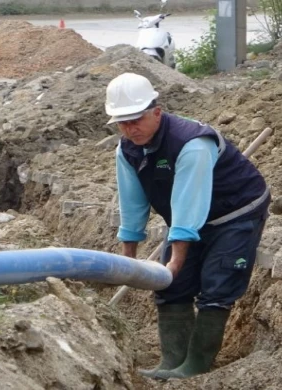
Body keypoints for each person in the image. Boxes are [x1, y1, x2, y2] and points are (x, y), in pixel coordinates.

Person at [106, 73, 270, 381]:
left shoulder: (191, 143)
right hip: (189, 215)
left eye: (136, 120)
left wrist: (177, 258)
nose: (130, 129)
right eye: (122, 123)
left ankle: (195, 366)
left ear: (157, 112)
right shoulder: (127, 149)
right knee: (171, 287)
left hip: (235, 212)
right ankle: (172, 361)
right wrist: (128, 256)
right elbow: (132, 203)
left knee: (216, 286)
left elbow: (188, 203)